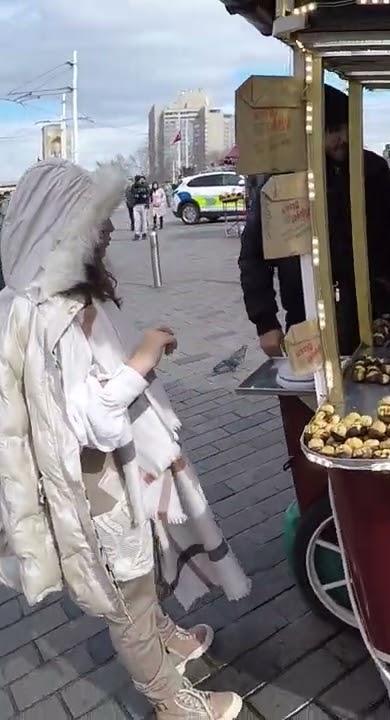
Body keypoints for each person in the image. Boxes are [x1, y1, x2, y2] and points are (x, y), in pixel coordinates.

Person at [0, 160, 250, 720]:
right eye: (98, 219)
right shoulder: (58, 314)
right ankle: (170, 701)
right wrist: (144, 356)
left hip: (114, 474)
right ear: (65, 227)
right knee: (128, 599)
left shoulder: (43, 300)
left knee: (139, 575)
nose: (111, 228)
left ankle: (165, 638)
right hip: (100, 484)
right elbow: (93, 419)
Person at [239, 84, 390, 356]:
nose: (343, 138)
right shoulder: (285, 180)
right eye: (333, 130)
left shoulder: (373, 169)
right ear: (312, 132)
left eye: (347, 128)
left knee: (380, 379)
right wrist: (265, 322)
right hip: (307, 315)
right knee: (309, 383)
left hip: (376, 311)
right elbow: (253, 255)